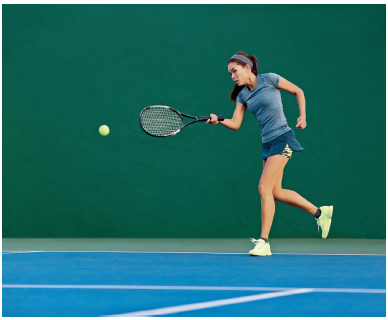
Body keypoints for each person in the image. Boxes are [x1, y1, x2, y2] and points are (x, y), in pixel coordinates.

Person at [206, 51, 333, 256]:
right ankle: (320, 213)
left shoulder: (270, 79)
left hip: (282, 138)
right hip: (267, 144)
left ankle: (264, 242)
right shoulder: (243, 95)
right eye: (230, 74)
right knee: (276, 192)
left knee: (263, 187)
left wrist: (303, 116)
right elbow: (236, 123)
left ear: (247, 67)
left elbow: (298, 91)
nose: (233, 76)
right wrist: (218, 120)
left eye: (235, 71)